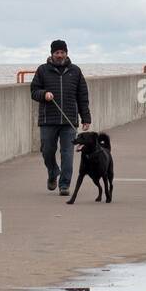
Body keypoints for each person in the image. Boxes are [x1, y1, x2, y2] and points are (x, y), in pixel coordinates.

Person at [29, 39, 91, 196]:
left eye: (62, 52)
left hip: (69, 120)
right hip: (48, 119)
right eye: (57, 52)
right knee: (47, 151)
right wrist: (44, 94)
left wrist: (86, 118)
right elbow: (34, 91)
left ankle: (64, 185)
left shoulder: (75, 71)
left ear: (67, 53)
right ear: (51, 54)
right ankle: (53, 172)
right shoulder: (42, 70)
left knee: (67, 153)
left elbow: (82, 96)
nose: (59, 55)